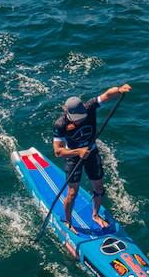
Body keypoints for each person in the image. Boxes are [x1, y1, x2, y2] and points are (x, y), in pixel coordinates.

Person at [52, 83, 132, 233]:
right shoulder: (60, 124)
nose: (79, 120)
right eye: (76, 118)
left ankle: (95, 215)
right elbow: (58, 152)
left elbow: (107, 94)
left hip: (92, 153)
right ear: (67, 113)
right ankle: (67, 221)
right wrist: (77, 152)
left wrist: (119, 89)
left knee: (99, 188)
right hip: (73, 157)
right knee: (72, 193)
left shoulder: (89, 108)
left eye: (81, 117)